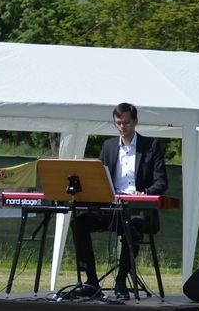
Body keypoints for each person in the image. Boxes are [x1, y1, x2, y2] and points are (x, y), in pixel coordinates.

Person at [70, 102, 168, 299]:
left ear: (136, 121)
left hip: (138, 211)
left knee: (132, 227)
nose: (122, 127)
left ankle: (121, 280)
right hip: (110, 208)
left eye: (126, 123)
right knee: (78, 224)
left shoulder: (151, 146)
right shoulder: (108, 146)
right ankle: (91, 282)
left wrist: (145, 193)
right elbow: (98, 178)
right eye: (118, 123)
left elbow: (162, 182)